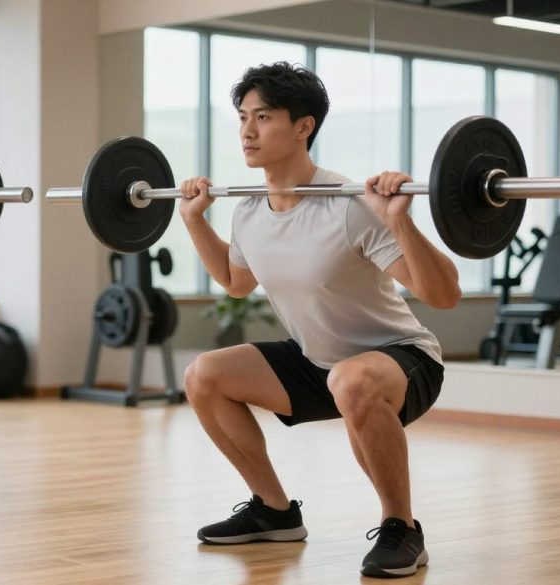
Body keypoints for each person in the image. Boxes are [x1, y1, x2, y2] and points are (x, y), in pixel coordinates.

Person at [178, 62, 461, 578]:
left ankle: (403, 528)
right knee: (205, 375)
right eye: (243, 117)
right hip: (319, 363)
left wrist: (399, 218)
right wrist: (194, 222)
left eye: (263, 117)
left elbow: (442, 294)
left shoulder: (349, 204)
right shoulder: (248, 211)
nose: (246, 131)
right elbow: (235, 281)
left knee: (350, 378)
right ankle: (274, 511)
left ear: (304, 126)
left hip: (402, 360)